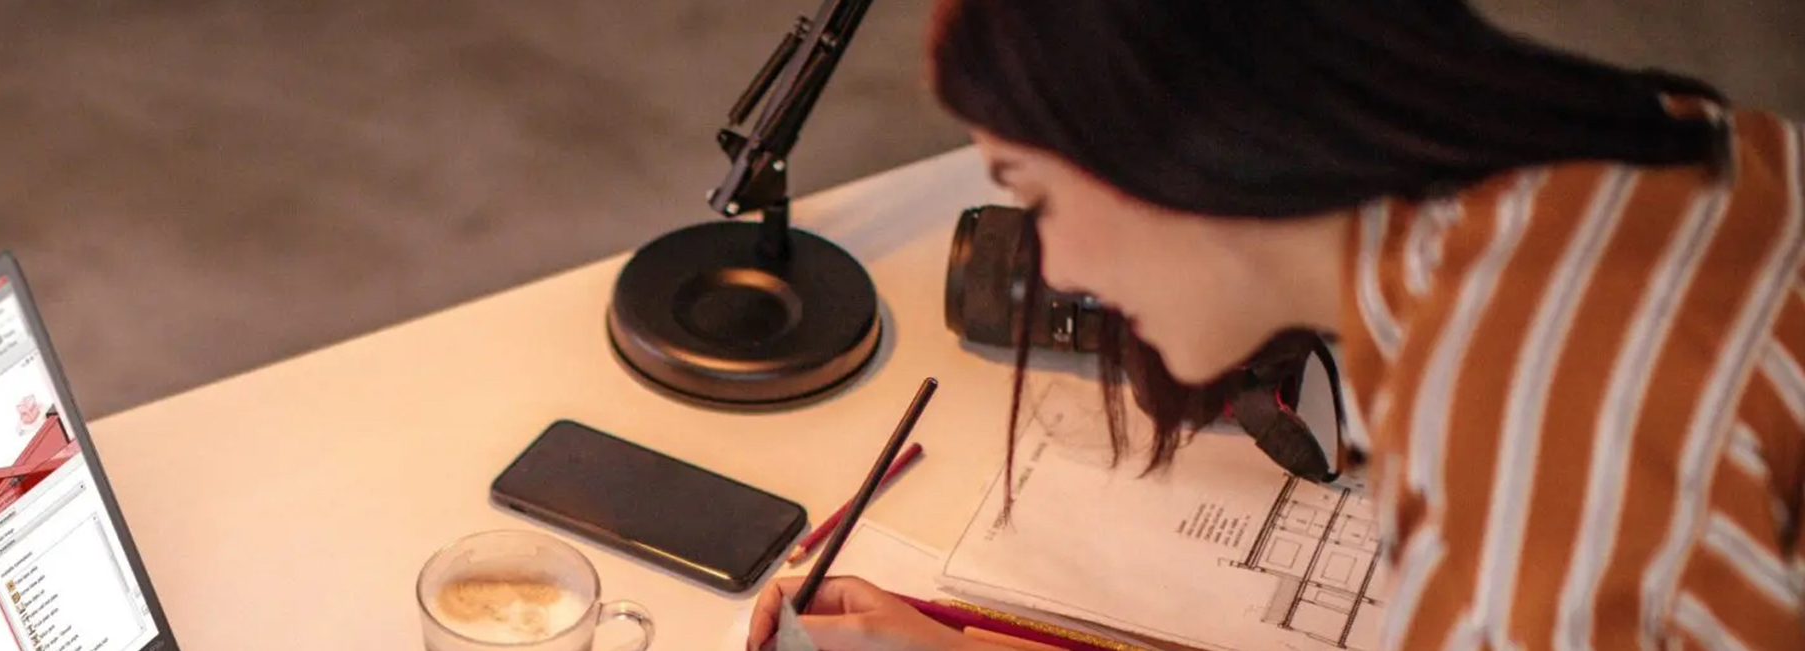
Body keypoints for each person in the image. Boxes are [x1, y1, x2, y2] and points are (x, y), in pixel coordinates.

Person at [749, 0, 1804, 649]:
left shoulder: (1524, 404)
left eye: (1041, 196)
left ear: (1172, 135)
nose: (1054, 267)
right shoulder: (1641, 151)